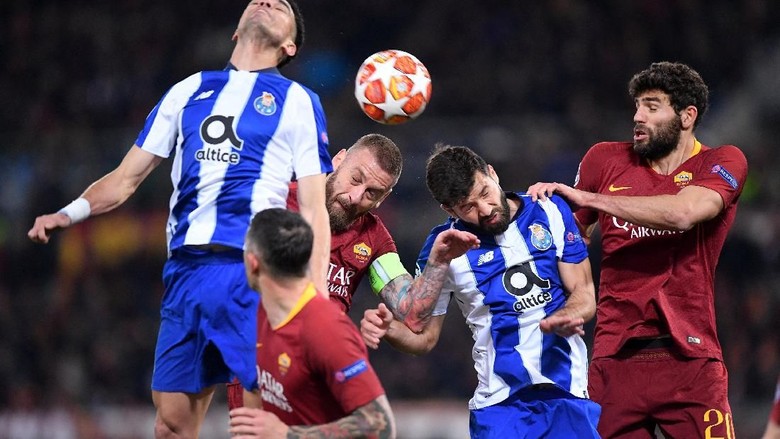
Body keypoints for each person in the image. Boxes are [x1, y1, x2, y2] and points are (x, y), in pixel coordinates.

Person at [27, 1, 332, 437]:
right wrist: (68, 212)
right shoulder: (189, 90)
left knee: (260, 420)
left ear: (290, 46)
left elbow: (313, 208)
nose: (266, 1)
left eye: (281, 5)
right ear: (235, 31)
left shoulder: (299, 101)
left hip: (253, 271)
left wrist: (317, 295)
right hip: (185, 274)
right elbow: (125, 178)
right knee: (171, 426)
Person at [527, 61, 748, 438]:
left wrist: (591, 198)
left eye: (652, 106)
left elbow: (683, 213)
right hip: (614, 362)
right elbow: (569, 243)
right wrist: (566, 302)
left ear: (687, 116)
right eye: (637, 106)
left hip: (691, 360)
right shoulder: (604, 160)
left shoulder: (722, 161)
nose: (638, 116)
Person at [361, 144, 601, 438]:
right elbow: (424, 339)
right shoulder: (443, 247)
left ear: (492, 173)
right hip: (500, 408)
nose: (485, 210)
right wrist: (390, 329)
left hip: (567, 393)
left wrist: (566, 315)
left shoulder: (549, 210)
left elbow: (584, 294)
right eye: (468, 207)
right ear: (449, 210)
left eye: (485, 193)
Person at [226, 134, 480, 408]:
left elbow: (412, 315)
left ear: (383, 198)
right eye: (355, 179)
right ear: (338, 160)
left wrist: (439, 261)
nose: (355, 197)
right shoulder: (274, 199)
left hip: (323, 375)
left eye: (372, 193)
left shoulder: (373, 238)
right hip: (261, 363)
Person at [228, 207, 395, 438]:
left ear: (253, 262)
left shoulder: (325, 328)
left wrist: (287, 435)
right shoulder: (256, 317)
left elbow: (381, 425)